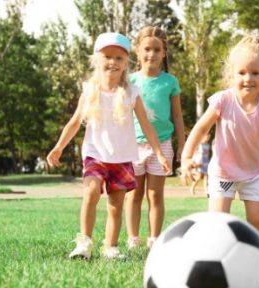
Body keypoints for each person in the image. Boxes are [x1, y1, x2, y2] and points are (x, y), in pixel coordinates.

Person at [47, 32, 169, 259]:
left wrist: (160, 153)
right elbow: (75, 122)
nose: (112, 62)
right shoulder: (90, 90)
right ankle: (84, 243)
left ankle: (110, 247)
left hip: (122, 157)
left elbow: (147, 126)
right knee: (91, 193)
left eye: (119, 58)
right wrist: (59, 146)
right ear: (97, 60)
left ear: (126, 64)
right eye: (107, 56)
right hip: (95, 154)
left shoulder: (132, 92)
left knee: (116, 204)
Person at [181, 34, 259, 237]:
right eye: (242, 72)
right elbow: (201, 129)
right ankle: (217, 255)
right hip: (223, 173)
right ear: (232, 74)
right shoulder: (222, 100)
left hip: (255, 174)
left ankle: (258, 257)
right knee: (217, 221)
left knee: (257, 220)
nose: (248, 79)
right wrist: (186, 157)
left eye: (255, 73)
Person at [125, 26, 185, 250]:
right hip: (133, 146)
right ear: (138, 52)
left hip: (163, 144)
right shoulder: (129, 81)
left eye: (157, 49)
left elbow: (177, 116)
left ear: (164, 53)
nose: (152, 54)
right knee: (134, 194)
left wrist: (183, 145)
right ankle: (133, 239)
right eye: (147, 49)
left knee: (155, 195)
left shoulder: (170, 82)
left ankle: (154, 239)